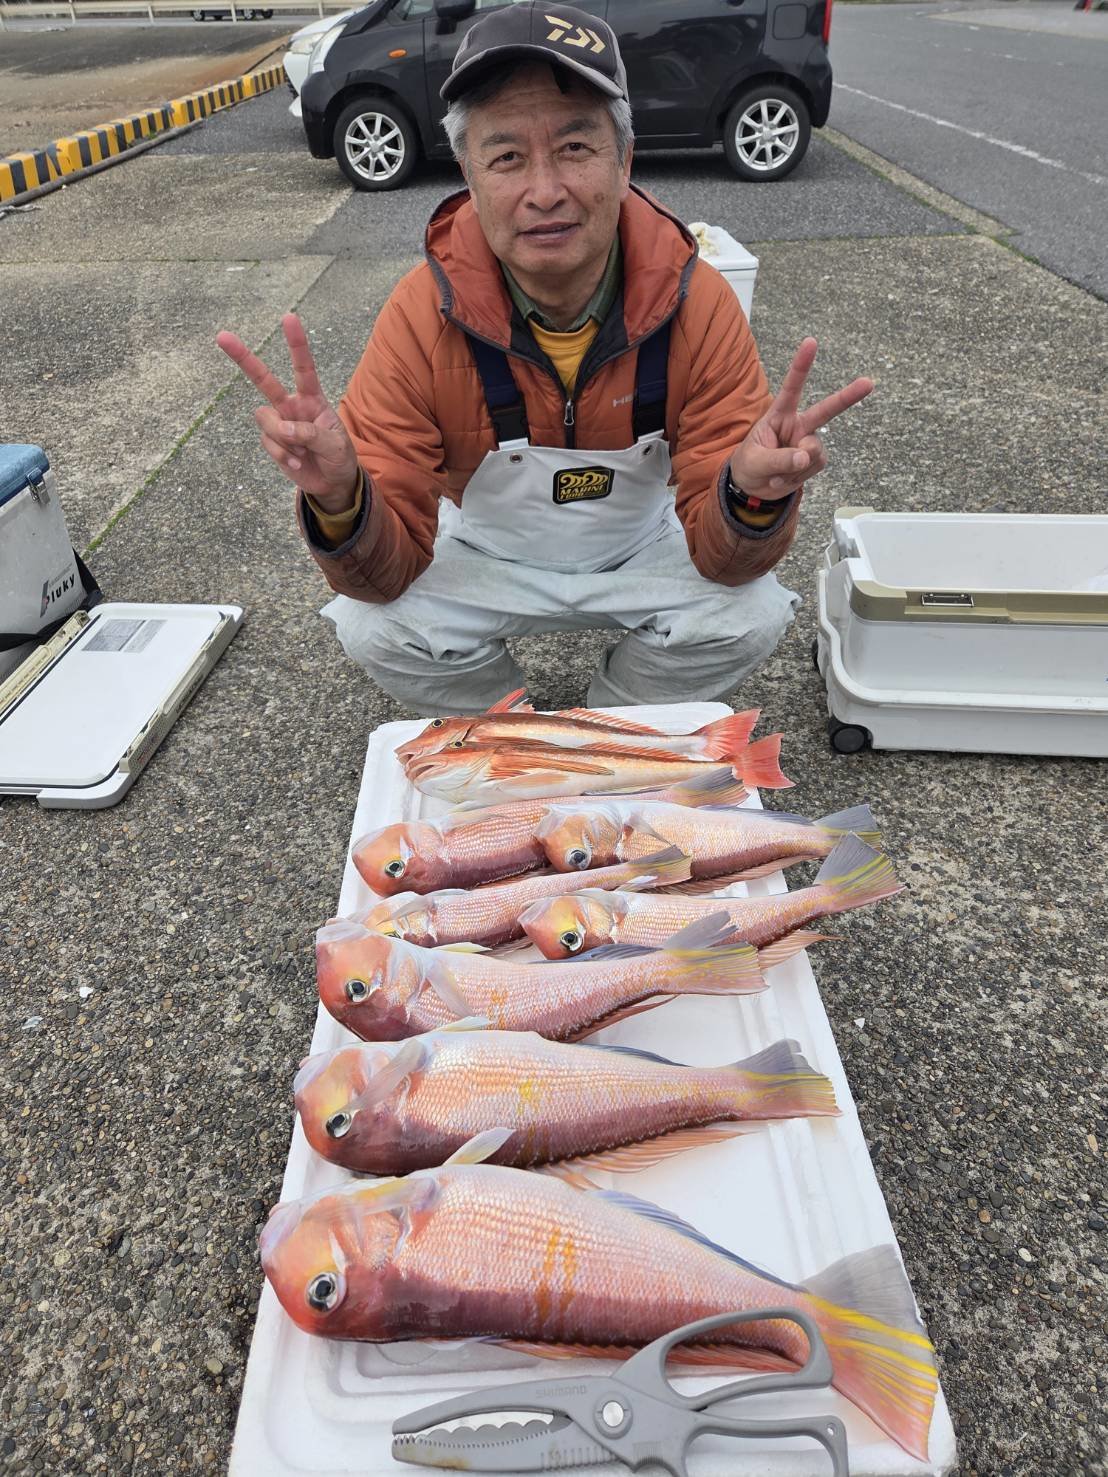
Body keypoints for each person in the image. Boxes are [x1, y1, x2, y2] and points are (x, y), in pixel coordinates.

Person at [217, 3, 872, 718]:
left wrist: (751, 495)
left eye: (575, 147)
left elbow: (725, 558)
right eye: (506, 157)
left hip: (640, 548)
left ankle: (610, 723)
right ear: (468, 176)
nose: (545, 191)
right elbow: (383, 573)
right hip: (488, 554)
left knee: (749, 612)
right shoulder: (418, 314)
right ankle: (509, 733)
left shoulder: (699, 302)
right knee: (374, 624)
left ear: (623, 161)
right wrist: (342, 498)